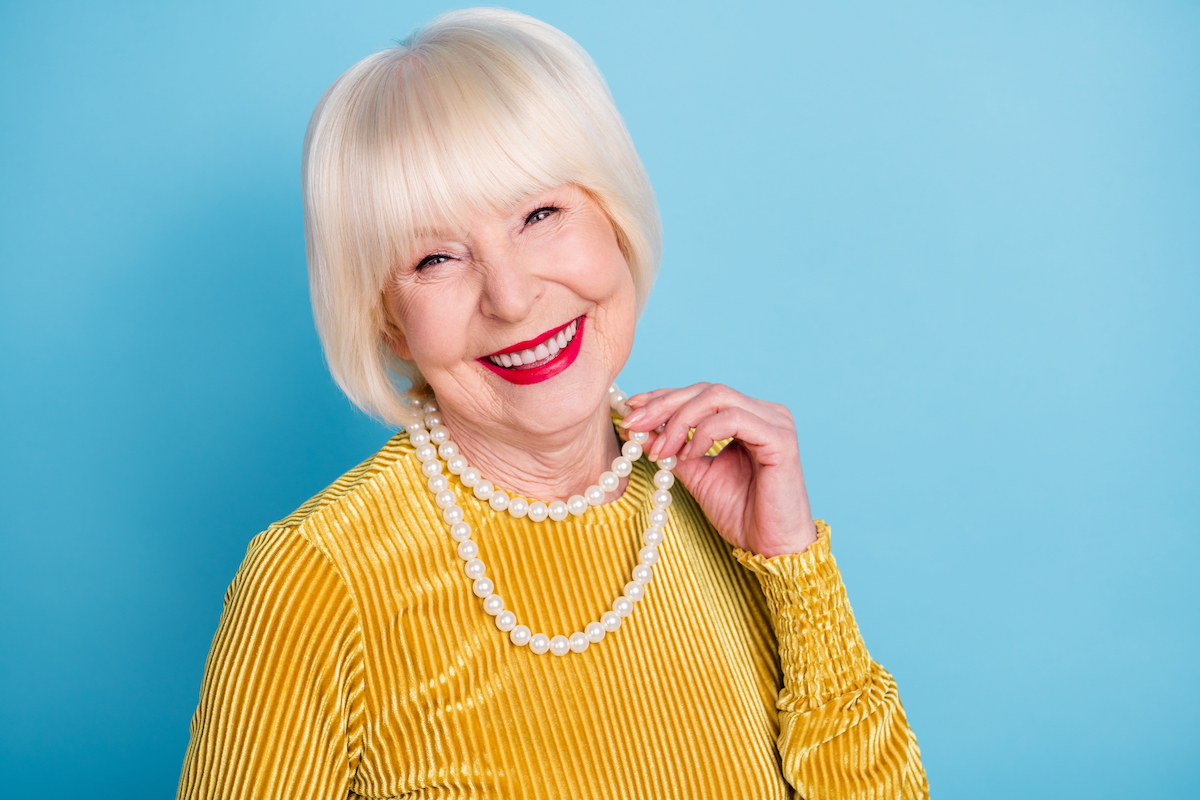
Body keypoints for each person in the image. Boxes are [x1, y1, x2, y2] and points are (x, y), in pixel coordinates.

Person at [177, 8, 928, 799]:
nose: (510, 295)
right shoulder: (314, 580)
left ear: (616, 220)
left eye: (539, 214)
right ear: (387, 322)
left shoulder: (719, 504)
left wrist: (791, 567)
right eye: (435, 258)